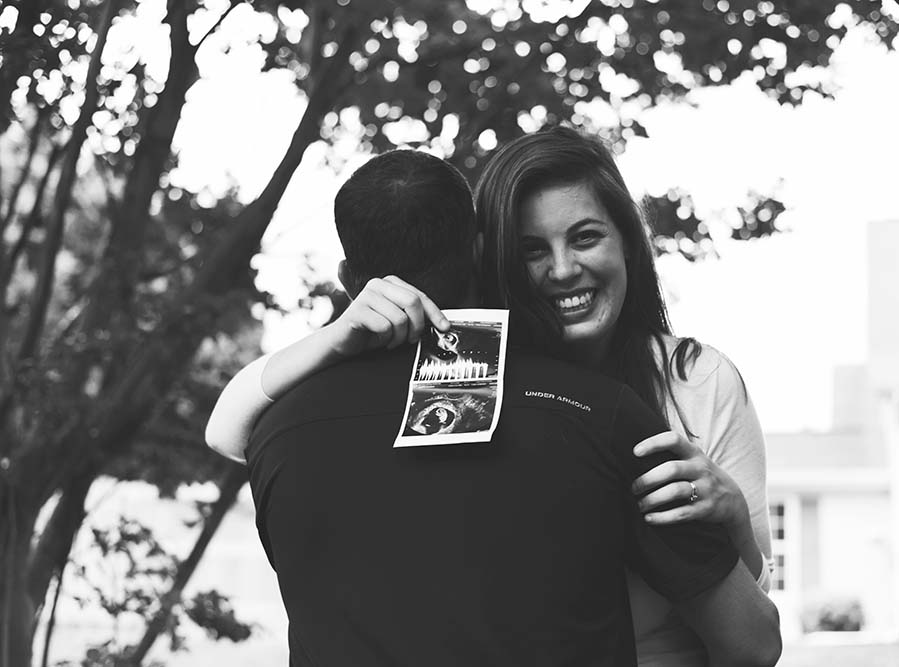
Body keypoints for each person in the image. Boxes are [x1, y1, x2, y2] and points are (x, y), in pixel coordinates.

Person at [206, 130, 775, 664]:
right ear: (488, 253)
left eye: (585, 237)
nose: (562, 269)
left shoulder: (691, 382)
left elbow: (749, 634)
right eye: (531, 249)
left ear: (628, 241)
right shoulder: (470, 379)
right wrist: (337, 336)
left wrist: (734, 526)